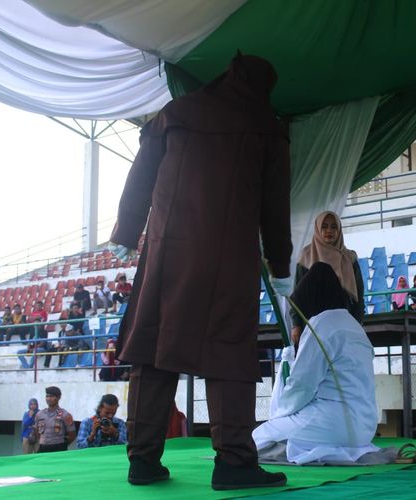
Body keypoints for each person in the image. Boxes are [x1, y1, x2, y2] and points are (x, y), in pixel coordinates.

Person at [109, 54, 291, 490]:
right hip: (228, 257)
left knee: (153, 348)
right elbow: (274, 204)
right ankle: (234, 464)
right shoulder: (268, 125)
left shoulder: (176, 113)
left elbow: (139, 178)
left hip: (167, 251)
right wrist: (280, 263)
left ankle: (143, 461)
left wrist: (127, 231)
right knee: (228, 352)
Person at [253, 262, 380, 464]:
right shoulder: (355, 327)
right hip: (366, 426)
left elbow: (302, 384)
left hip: (336, 423)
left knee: (259, 437)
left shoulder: (321, 325)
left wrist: (281, 413)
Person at [291, 211, 365, 345]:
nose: (329, 231)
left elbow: (359, 295)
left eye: (333, 227)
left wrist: (358, 323)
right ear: (318, 229)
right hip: (311, 324)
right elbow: (297, 294)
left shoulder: (349, 258)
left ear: (339, 230)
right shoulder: (306, 256)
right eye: (324, 226)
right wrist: (296, 325)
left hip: (341, 325)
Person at [29, 386, 75, 453]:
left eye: (52, 396)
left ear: (58, 397)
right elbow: (37, 432)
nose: (49, 399)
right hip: (43, 447)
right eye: (47, 396)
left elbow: (72, 435)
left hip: (59, 448)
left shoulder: (65, 415)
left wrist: (63, 445)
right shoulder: (40, 414)